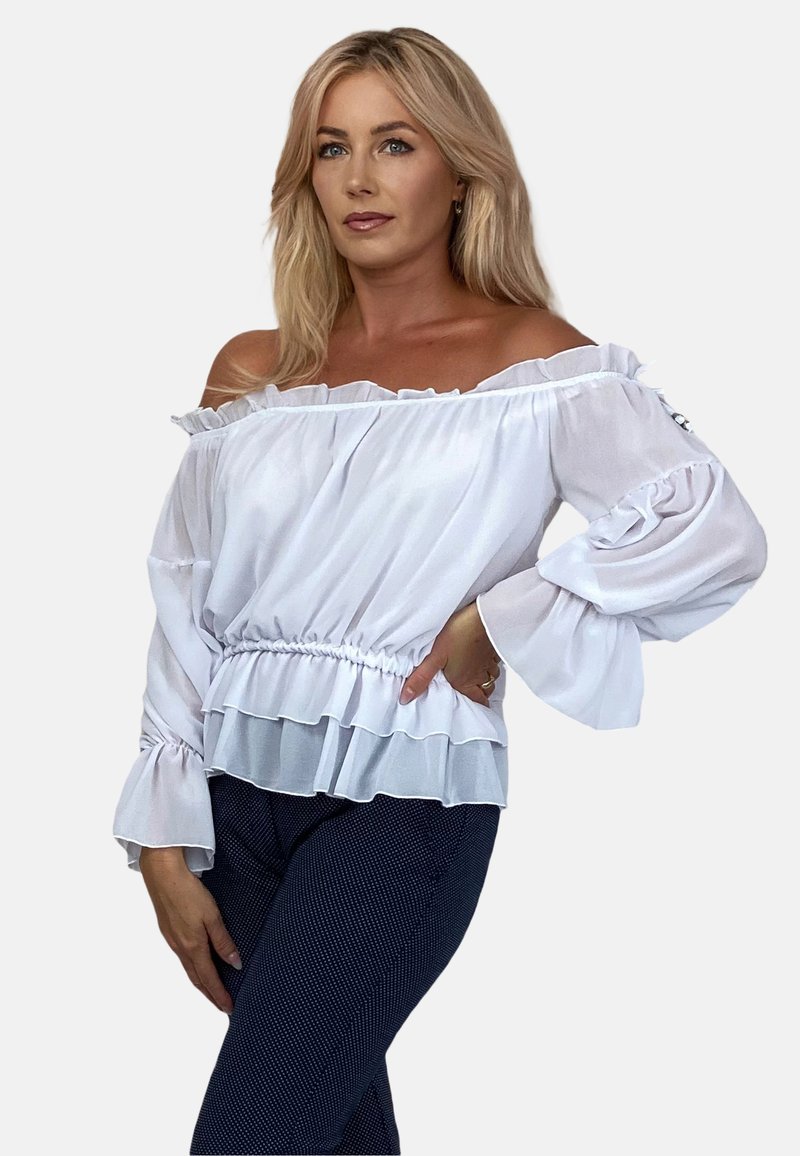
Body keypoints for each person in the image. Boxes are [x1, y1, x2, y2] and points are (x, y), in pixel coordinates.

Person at [112, 26, 768, 1156]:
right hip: (232, 804)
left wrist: (503, 614)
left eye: (396, 144)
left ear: (460, 172)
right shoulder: (254, 368)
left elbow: (710, 530)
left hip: (404, 801)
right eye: (331, 148)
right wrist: (162, 833)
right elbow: (186, 597)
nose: (359, 179)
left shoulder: (534, 361)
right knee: (330, 1135)